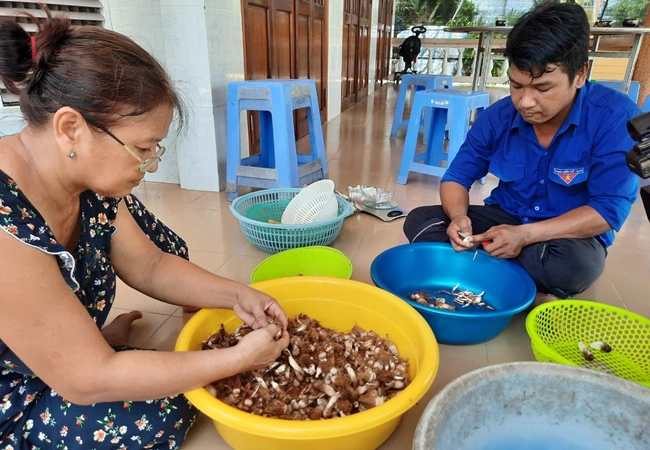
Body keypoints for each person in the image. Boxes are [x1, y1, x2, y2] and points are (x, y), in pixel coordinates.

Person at [0, 9, 290, 449]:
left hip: (57, 358)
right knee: (159, 408)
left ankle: (76, 341)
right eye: (142, 149)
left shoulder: (84, 182)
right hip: (13, 390)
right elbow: (87, 381)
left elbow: (151, 265)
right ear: (70, 129)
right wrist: (235, 361)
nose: (151, 166)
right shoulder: (7, 226)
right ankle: (73, 353)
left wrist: (238, 294)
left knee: (162, 243)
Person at [403, 3, 640, 301]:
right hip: (505, 218)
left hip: (562, 236)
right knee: (421, 221)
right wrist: (459, 217)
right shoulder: (498, 116)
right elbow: (456, 176)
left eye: (542, 88)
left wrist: (525, 236)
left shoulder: (615, 118)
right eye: (516, 85)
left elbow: (608, 210)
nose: (525, 102)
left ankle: (477, 270)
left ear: (580, 75)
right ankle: (516, 285)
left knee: (576, 266)